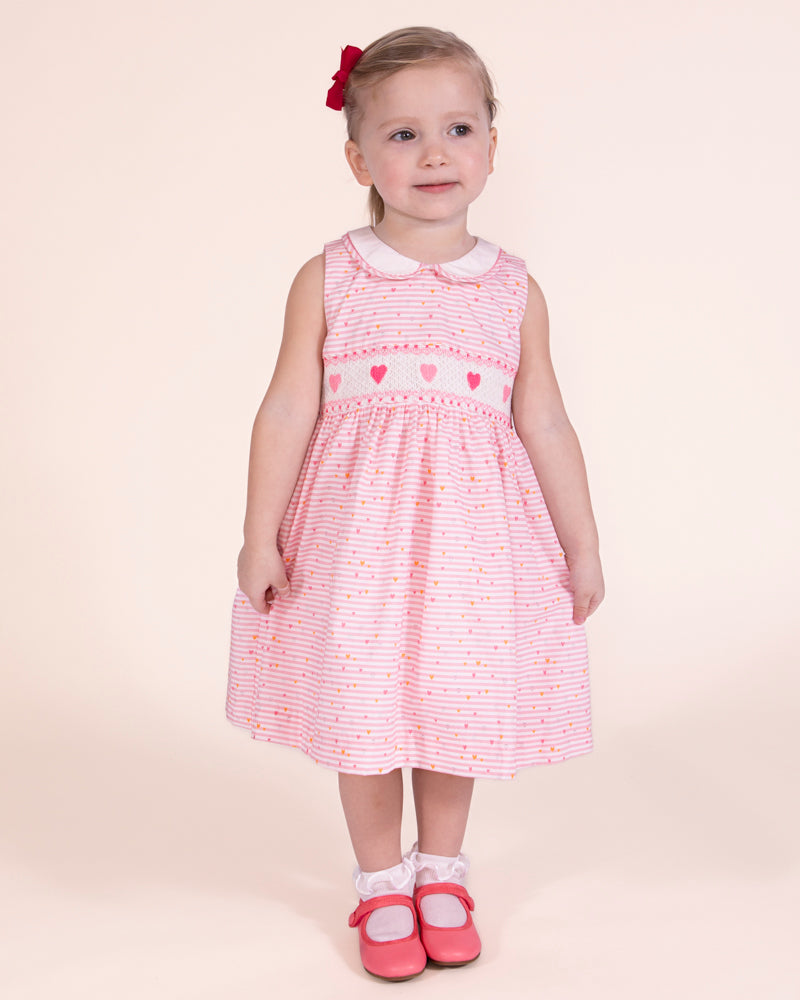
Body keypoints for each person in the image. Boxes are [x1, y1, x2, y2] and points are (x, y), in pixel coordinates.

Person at [226, 26, 604, 982]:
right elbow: (284, 409)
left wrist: (581, 545)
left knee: (454, 702)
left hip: (476, 546)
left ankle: (442, 871)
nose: (435, 153)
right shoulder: (331, 275)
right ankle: (380, 881)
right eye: (402, 135)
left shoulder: (514, 291)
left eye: (458, 128)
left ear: (489, 146)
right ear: (358, 156)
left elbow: (547, 423)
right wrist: (258, 534)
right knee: (366, 708)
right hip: (357, 546)